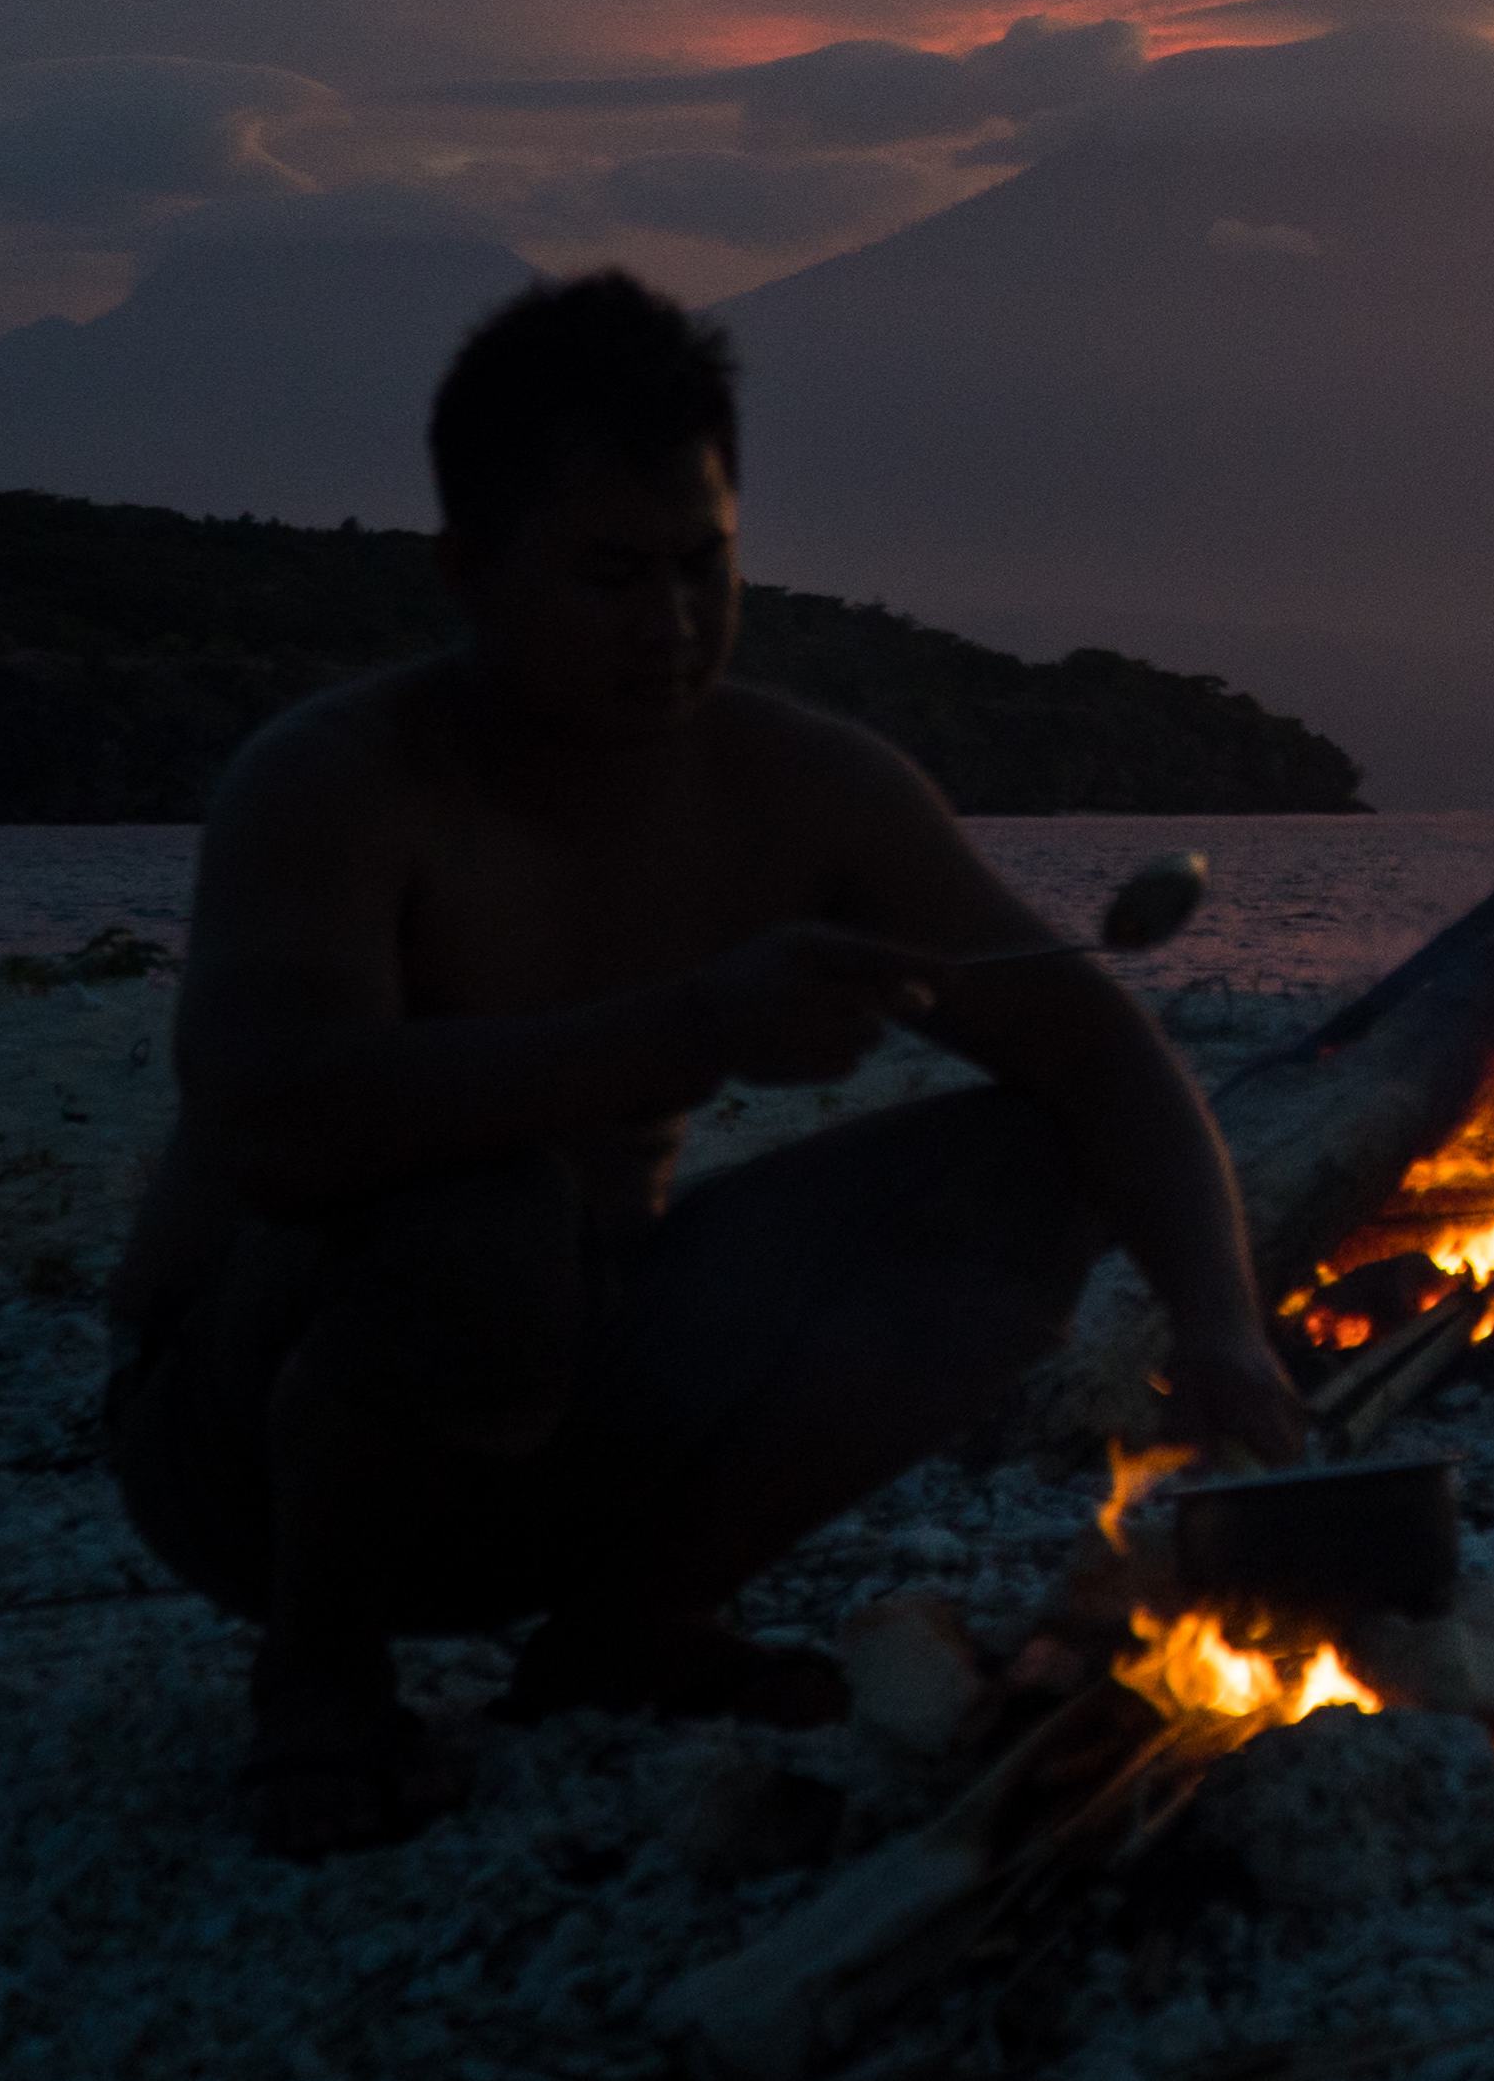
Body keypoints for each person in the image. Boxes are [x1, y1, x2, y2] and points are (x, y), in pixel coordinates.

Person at [104, 273, 1308, 1856]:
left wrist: (1220, 1321)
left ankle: (629, 1622)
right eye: (609, 576)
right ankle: (320, 1680)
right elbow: (272, 1117)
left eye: (703, 565)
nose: (670, 624)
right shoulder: (339, 783)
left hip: (585, 1400)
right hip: (252, 1445)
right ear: (469, 574)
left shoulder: (802, 788)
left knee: (1030, 1165)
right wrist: (685, 1033)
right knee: (488, 1214)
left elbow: (1091, 1041)